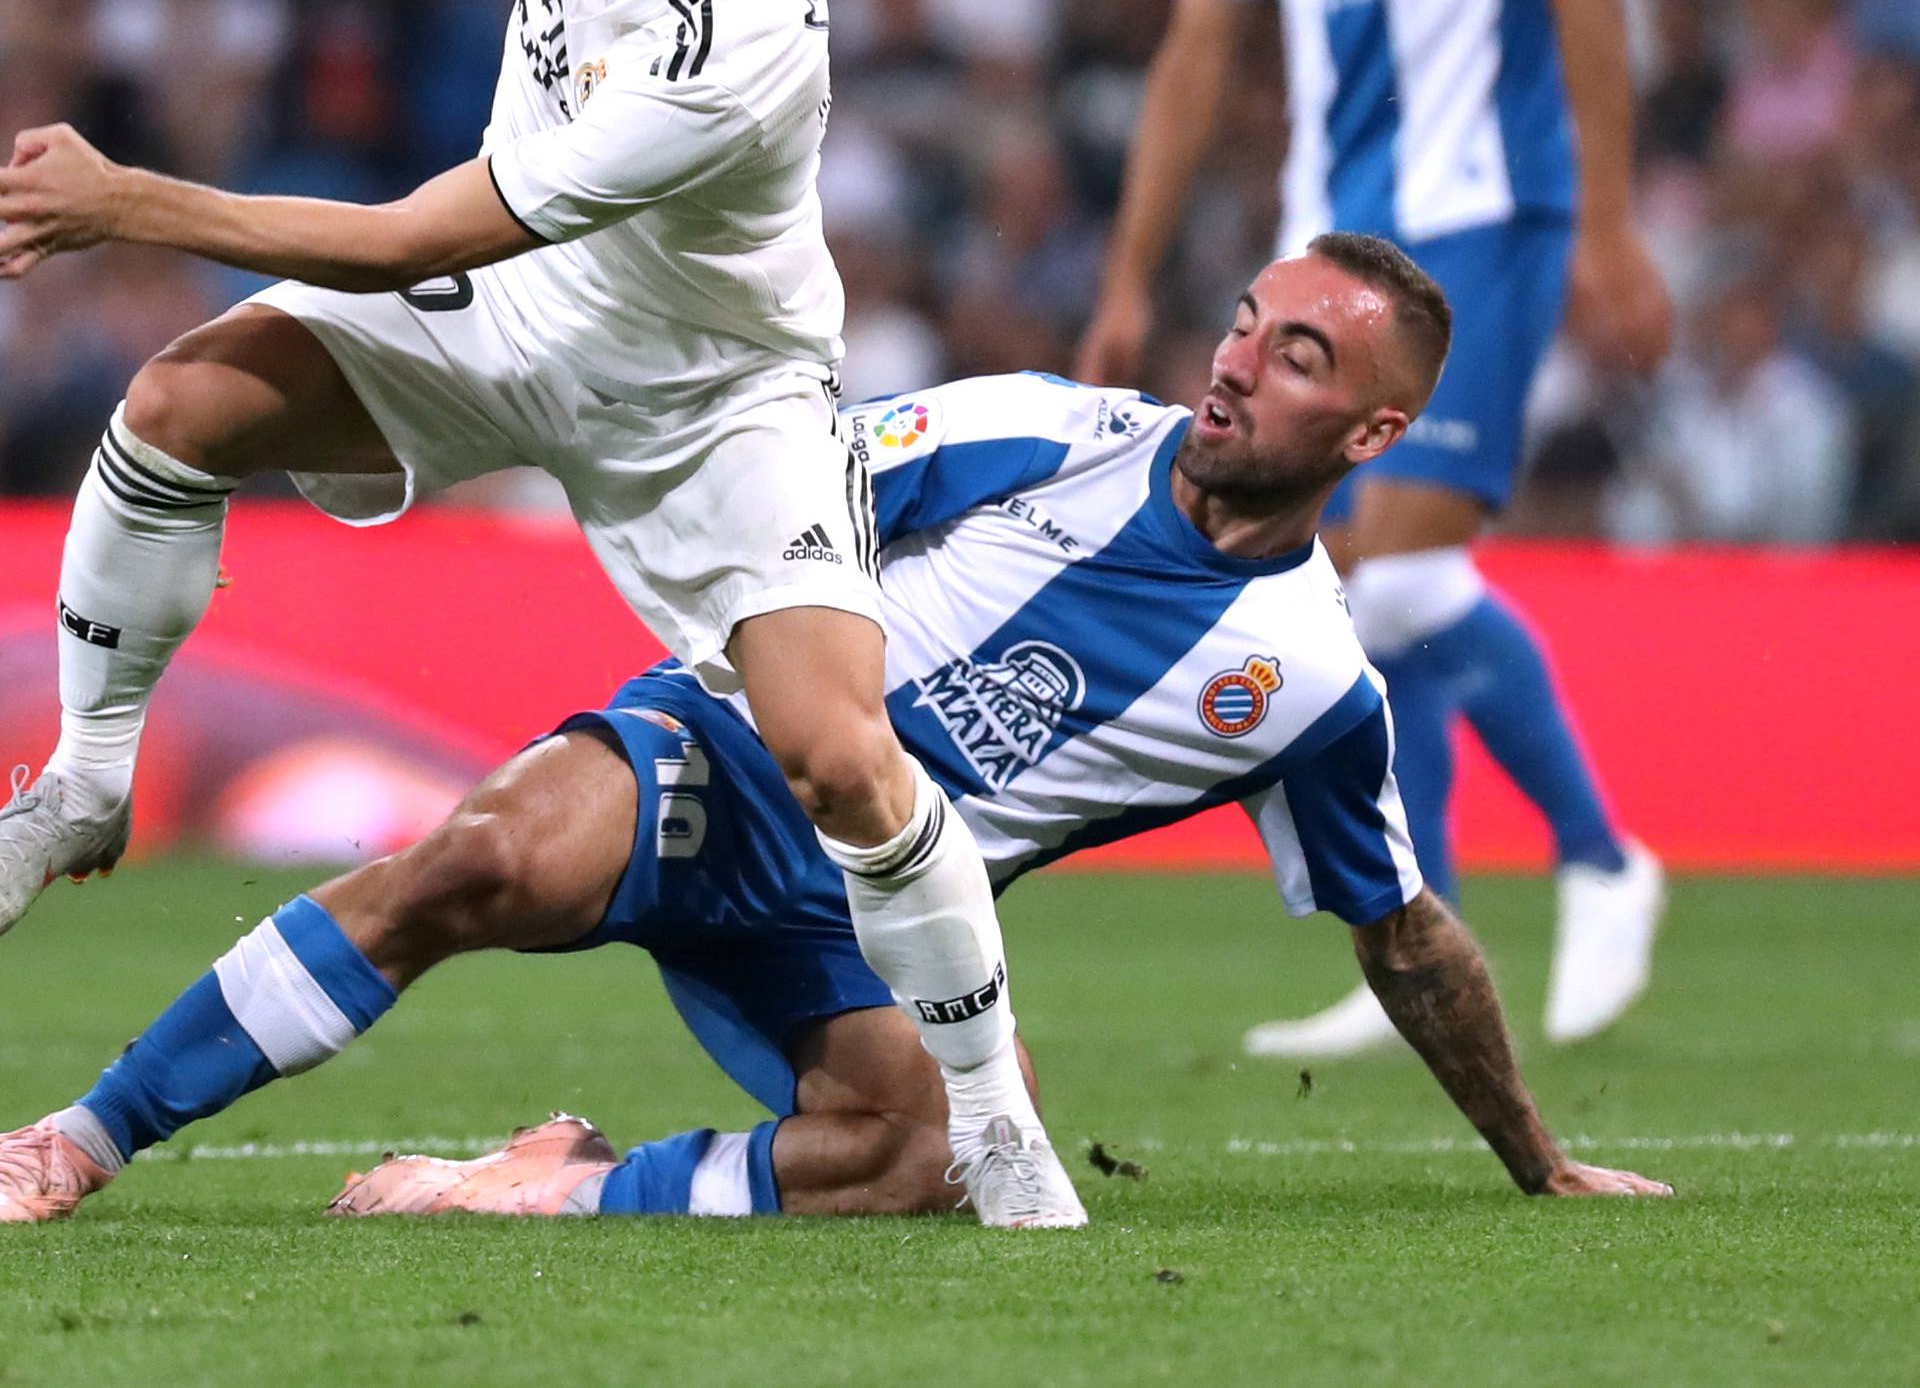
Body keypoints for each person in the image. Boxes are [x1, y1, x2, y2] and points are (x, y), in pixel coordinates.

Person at [0, 0, 1079, 1228]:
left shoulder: (731, 36)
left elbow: (441, 220)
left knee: (843, 754)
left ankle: (993, 1120)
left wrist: (132, 201)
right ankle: (84, 775)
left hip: (711, 403)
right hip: (519, 327)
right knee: (176, 407)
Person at [0, 238, 1672, 1224]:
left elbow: (1405, 927)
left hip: (864, 913)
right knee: (476, 856)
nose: (1238, 364)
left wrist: (1538, 1158)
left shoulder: (1312, 679)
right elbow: (792, 491)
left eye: (1298, 356)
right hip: (719, 757)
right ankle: (76, 1142)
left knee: (924, 1157)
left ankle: (546, 1180)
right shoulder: (1043, 429)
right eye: (1245, 318)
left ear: (1374, 428)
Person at [1077, 0, 1674, 1058]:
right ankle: (1426, 920)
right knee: (1360, 594)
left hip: (1492, 205)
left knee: (1394, 573)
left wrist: (1610, 216)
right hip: (1334, 238)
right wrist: (1131, 276)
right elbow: (1200, 46)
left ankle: (1608, 858)